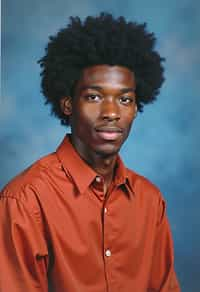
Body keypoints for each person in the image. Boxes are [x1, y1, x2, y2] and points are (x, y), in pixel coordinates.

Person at [0, 13, 180, 292]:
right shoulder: (24, 201)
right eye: (94, 97)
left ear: (136, 108)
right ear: (68, 104)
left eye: (124, 99)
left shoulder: (150, 202)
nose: (111, 113)